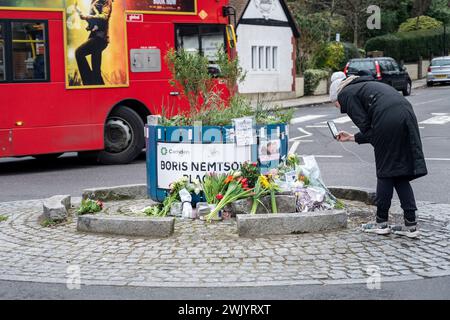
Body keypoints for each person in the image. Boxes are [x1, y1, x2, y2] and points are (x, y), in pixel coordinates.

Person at [329, 71, 427, 238]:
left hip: (388, 118)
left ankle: (381, 223)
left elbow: (367, 127)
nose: (339, 108)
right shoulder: (363, 85)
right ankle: (411, 224)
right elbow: (373, 130)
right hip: (406, 113)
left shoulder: (345, 94)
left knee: (385, 172)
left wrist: (361, 137)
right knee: (399, 174)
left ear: (336, 96)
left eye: (335, 104)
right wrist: (353, 138)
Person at [75, 0, 113, 85]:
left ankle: (89, 83)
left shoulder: (106, 1)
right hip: (97, 38)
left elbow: (104, 16)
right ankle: (96, 85)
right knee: (96, 70)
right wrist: (87, 20)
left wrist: (87, 16)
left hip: (100, 38)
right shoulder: (94, 2)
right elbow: (94, 21)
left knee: (79, 52)